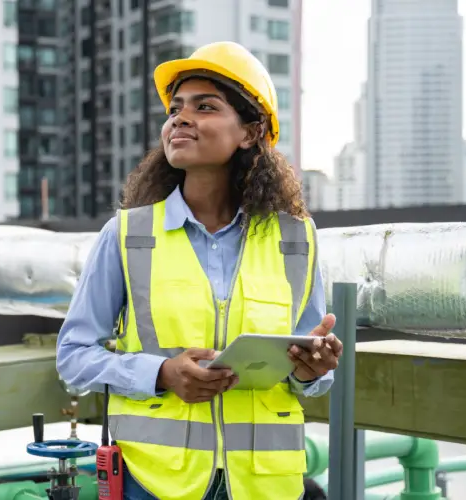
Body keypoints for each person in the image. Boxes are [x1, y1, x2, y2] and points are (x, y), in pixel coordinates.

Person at [56, 41, 343, 500]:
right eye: (175, 109)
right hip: (158, 483)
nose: (180, 118)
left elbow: (309, 377)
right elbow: (73, 357)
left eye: (205, 106)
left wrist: (314, 369)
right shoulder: (128, 235)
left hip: (266, 486)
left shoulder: (296, 239)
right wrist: (162, 372)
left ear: (249, 134)